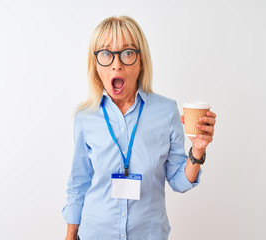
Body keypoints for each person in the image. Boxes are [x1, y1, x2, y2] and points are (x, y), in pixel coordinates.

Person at [62, 16, 217, 240]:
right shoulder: (84, 117)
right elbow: (78, 183)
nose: (117, 64)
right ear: (95, 64)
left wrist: (198, 151)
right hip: (95, 233)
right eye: (105, 53)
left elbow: (179, 182)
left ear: (141, 61)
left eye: (127, 53)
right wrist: (69, 236)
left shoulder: (166, 111)